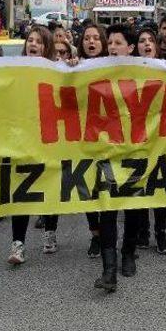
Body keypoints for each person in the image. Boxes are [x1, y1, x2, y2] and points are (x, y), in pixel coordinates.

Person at [94, 24, 141, 292]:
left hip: (136, 151)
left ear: (131, 48)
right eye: (109, 42)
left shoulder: (147, 71)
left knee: (133, 206)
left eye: (118, 42)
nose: (112, 47)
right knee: (107, 208)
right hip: (105, 151)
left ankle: (128, 253)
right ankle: (108, 269)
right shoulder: (94, 70)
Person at [7, 26, 57, 264]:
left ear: (46, 47)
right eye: (30, 40)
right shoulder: (14, 70)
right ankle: (18, 244)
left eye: (38, 41)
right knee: (22, 192)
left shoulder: (58, 72)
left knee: (50, 188)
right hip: (22, 142)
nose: (33, 44)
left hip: (50, 141)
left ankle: (50, 232)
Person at [132, 28, 166, 254]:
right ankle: (143, 231)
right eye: (141, 40)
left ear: (156, 46)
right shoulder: (126, 70)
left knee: (160, 187)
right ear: (135, 46)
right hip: (136, 139)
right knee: (139, 185)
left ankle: (161, 232)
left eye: (150, 40)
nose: (146, 44)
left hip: (162, 137)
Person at [71, 24, 108, 256]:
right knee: (87, 188)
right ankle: (95, 233)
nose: (91, 42)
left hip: (109, 138)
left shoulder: (116, 66)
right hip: (82, 139)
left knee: (107, 187)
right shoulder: (72, 67)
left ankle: (108, 234)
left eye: (96, 38)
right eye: (87, 38)